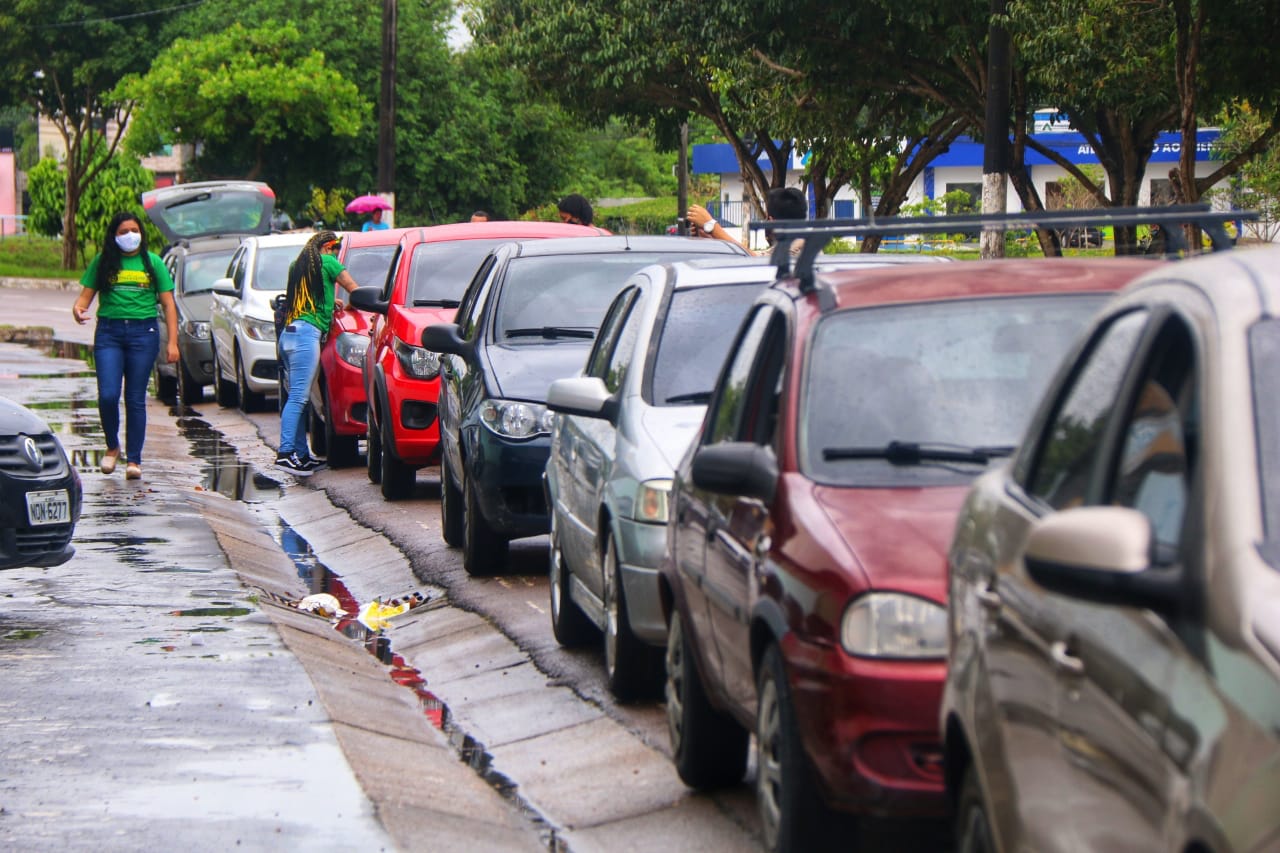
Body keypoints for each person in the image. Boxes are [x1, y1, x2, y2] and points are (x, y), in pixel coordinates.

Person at [72, 212, 179, 481]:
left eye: (134, 230)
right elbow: (83, 299)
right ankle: (112, 446)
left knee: (135, 398)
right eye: (123, 231)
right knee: (108, 394)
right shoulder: (103, 262)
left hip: (144, 334)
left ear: (141, 233)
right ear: (114, 236)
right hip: (109, 333)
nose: (130, 235)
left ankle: (134, 459)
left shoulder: (153, 263)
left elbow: (168, 304)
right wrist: (78, 310)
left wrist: (173, 343)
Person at [275, 231, 359, 475]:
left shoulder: (297, 265)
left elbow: (307, 298)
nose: (335, 253)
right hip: (305, 337)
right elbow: (355, 290)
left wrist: (330, 303)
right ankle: (285, 453)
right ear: (327, 247)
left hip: (289, 334)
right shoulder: (329, 262)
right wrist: (350, 306)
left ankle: (301, 455)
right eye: (334, 249)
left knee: (296, 398)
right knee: (300, 398)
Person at [686, 186, 808, 255]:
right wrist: (713, 238)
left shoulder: (796, 249)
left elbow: (751, 259)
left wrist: (711, 225)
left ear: (772, 221)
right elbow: (753, 255)